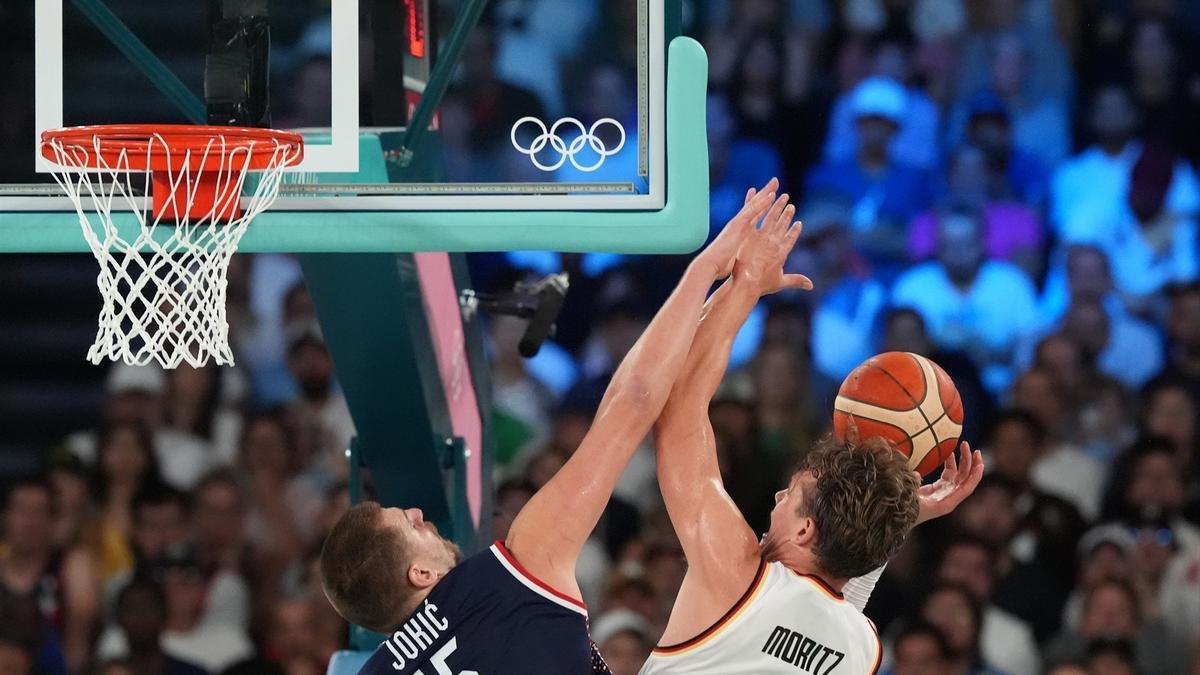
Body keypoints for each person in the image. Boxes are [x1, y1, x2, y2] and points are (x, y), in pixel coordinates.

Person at [319, 181, 788, 674]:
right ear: (420, 573)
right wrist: (709, 269)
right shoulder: (504, 580)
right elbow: (633, 402)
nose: (417, 511)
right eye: (407, 524)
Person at [639, 191, 984, 673]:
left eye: (792, 495)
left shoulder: (736, 573)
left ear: (805, 529)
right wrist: (900, 513)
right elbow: (841, 590)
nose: (779, 494)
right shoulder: (862, 647)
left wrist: (742, 287)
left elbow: (679, 410)